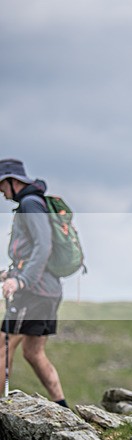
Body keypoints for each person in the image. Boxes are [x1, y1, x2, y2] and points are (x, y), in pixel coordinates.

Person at [0, 158, 67, 408]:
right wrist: (11, 274)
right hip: (47, 290)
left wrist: (21, 281)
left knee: (3, 347)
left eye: (1, 185)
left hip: (33, 291)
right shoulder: (34, 203)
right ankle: (63, 409)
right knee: (33, 352)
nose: (1, 192)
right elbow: (32, 251)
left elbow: (44, 245)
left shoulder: (30, 204)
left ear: (13, 181)